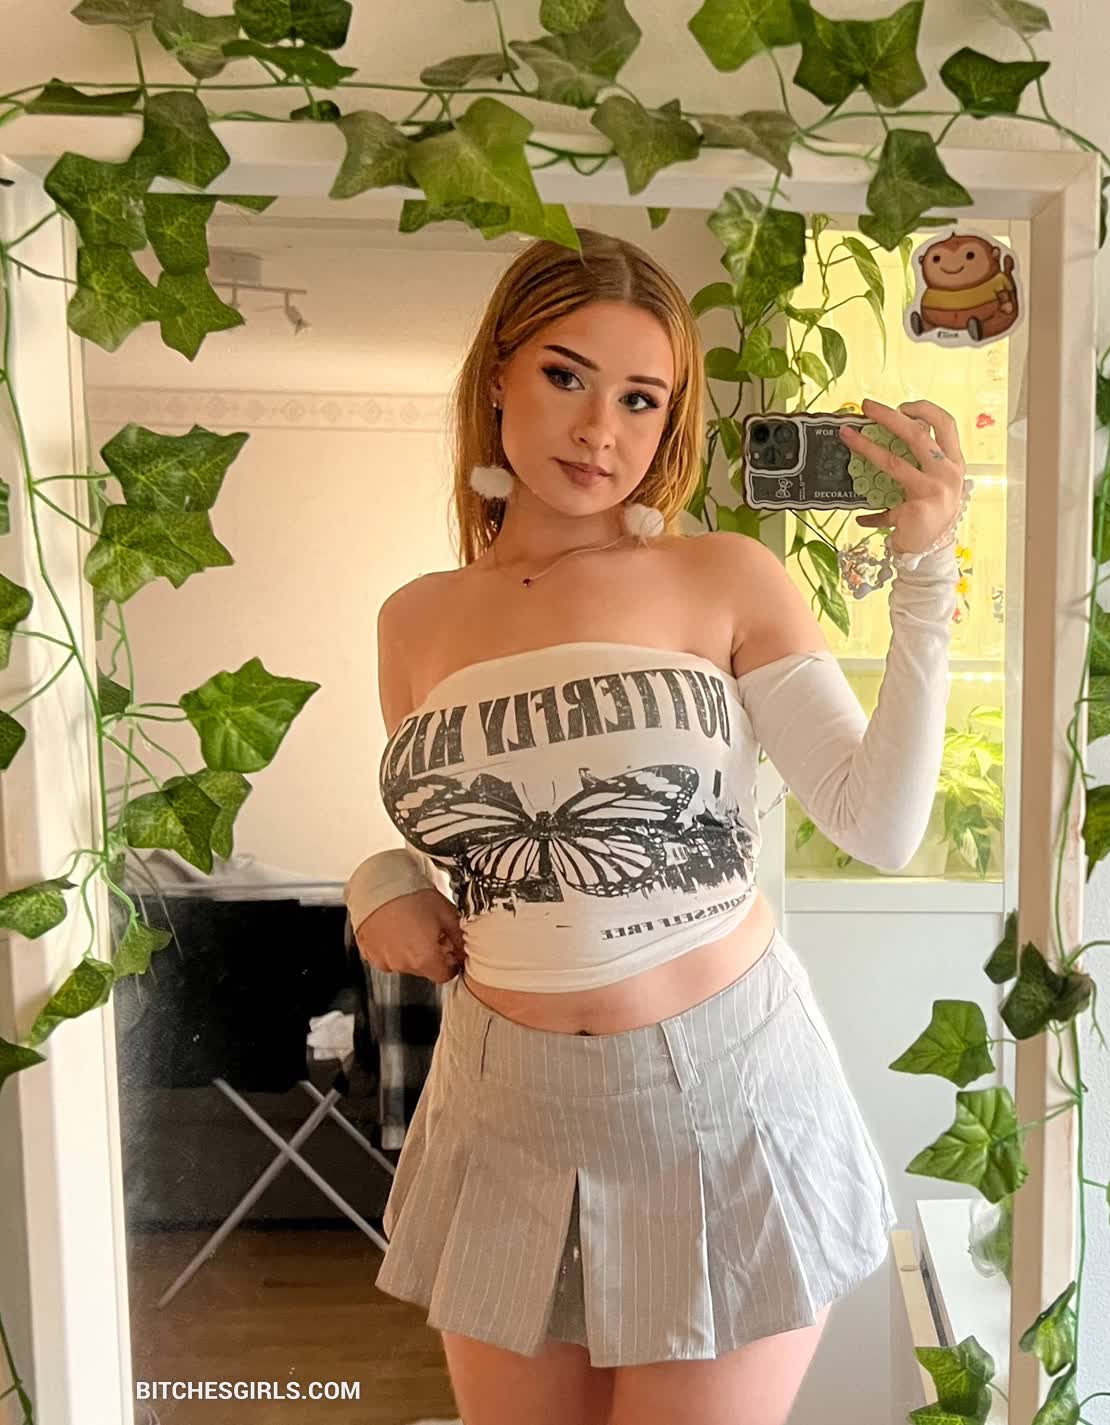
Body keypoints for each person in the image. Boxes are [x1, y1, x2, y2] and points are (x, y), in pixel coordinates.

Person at [345, 227, 970, 1425]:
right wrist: (380, 879)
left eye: (641, 398)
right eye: (566, 376)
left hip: (718, 1099)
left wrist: (928, 571)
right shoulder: (414, 618)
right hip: (501, 1109)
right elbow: (475, 844)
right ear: (498, 376)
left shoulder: (723, 576)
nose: (601, 430)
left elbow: (877, 823)